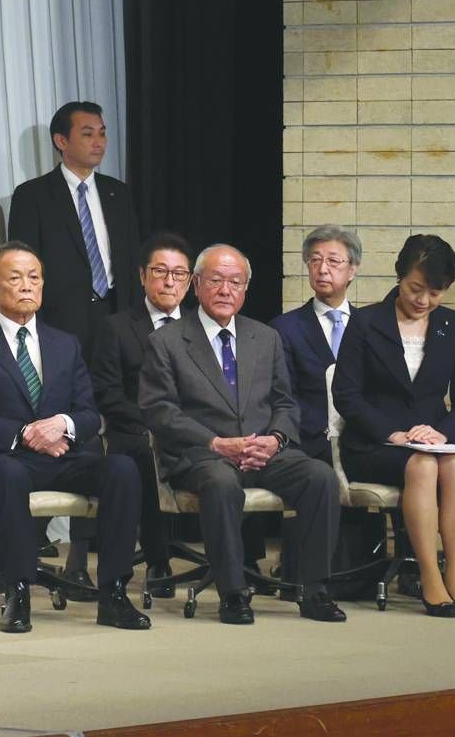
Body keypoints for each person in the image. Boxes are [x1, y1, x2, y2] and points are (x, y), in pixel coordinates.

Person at [0, 242, 150, 633]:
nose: (27, 285)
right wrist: (23, 433)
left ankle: (114, 594)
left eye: (34, 277)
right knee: (9, 474)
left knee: (122, 469)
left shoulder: (65, 343)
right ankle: (18, 592)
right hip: (3, 457)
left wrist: (63, 424)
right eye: (15, 278)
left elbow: (89, 413)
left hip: (60, 456)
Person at [139, 244, 346, 625]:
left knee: (320, 477)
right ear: (196, 284)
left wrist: (276, 439)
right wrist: (215, 443)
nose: (225, 290)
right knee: (221, 483)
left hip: (263, 451)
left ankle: (315, 590)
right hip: (202, 454)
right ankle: (233, 594)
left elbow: (285, 403)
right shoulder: (167, 341)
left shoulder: (265, 337)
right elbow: (160, 411)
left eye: (235, 282)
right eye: (216, 280)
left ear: (246, 289)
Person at [7, 101, 140, 594]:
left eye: (102, 132)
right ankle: (34, 544)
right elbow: (23, 267)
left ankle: (84, 555)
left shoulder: (118, 194)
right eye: (87, 133)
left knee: (106, 433)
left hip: (113, 329)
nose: (98, 142)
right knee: (65, 431)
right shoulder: (33, 195)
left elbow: (128, 264)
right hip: (60, 333)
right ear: (61, 141)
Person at [332, 235, 455, 617]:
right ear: (400, 275)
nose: (424, 300)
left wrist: (442, 433)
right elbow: (347, 395)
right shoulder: (366, 323)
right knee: (423, 466)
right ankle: (430, 578)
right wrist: (393, 433)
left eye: (436, 292)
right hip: (375, 442)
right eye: (416, 288)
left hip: (431, 440)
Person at [271, 225, 386, 597]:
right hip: (309, 438)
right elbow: (283, 396)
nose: (323, 269)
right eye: (315, 260)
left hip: (363, 438)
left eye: (334, 261)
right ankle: (313, 577)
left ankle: (394, 571)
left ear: (353, 269)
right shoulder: (285, 328)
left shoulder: (373, 328)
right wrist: (321, 430)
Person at [89, 231, 194, 593]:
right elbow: (106, 393)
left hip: (194, 430)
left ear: (190, 281)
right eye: (160, 271)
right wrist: (157, 423)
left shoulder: (201, 327)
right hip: (135, 429)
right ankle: (157, 559)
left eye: (178, 273)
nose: (169, 281)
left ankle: (241, 561)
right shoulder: (116, 327)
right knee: (147, 455)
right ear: (142, 276)